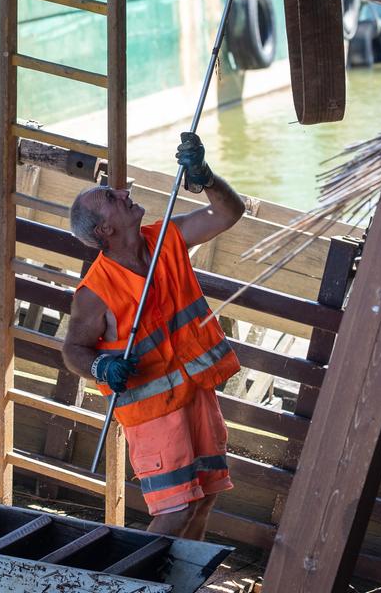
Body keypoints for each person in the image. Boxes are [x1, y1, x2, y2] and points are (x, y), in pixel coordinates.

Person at [62, 133, 245, 540]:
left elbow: (230, 213)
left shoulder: (166, 239)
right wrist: (100, 365)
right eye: (112, 197)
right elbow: (73, 349)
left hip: (196, 392)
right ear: (106, 228)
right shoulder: (96, 290)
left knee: (206, 496)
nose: (124, 194)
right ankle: (143, 584)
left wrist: (206, 177)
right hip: (153, 414)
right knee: (176, 510)